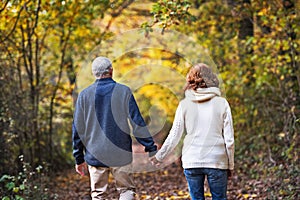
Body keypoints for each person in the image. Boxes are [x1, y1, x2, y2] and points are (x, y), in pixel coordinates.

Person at [72, 56, 157, 200]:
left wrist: (78, 158)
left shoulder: (84, 95)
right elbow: (137, 122)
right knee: (126, 190)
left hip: (95, 153)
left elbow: (78, 129)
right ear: (111, 71)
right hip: (120, 153)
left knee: (98, 194)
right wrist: (150, 147)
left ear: (94, 73)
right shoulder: (123, 91)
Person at [150, 63, 234, 200]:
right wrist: (230, 165)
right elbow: (229, 140)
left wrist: (160, 156)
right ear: (211, 79)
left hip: (192, 160)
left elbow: (174, 135)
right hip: (217, 160)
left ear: (190, 80)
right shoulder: (222, 103)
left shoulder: (184, 105)